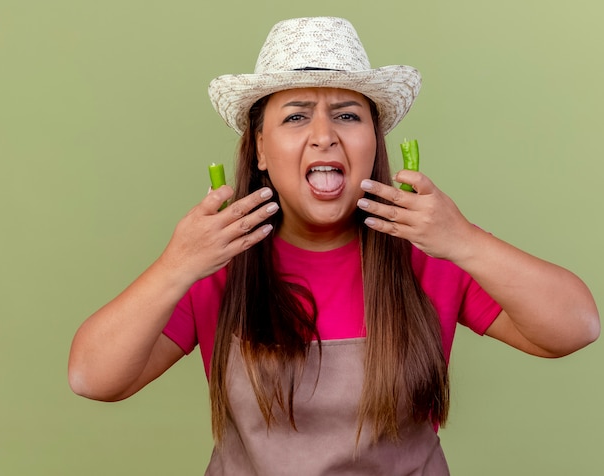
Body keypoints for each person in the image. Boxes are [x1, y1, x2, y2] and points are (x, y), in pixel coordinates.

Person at [68, 16, 600, 475]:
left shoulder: (430, 255)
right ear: (259, 148)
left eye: (348, 114)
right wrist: (174, 267)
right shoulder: (217, 264)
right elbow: (92, 378)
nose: (324, 135)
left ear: (374, 143)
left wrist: (464, 241)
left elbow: (576, 328)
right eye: (296, 116)